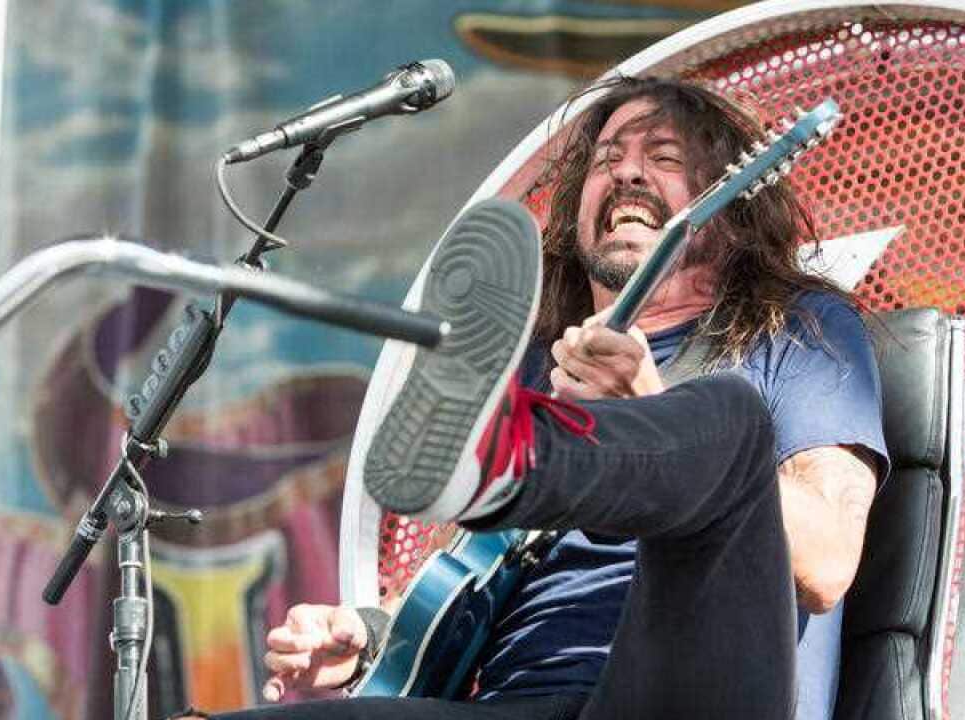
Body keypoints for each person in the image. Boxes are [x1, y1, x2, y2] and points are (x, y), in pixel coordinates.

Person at [211, 76, 886, 720]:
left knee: (731, 424)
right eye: (606, 159)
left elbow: (827, 563)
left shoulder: (800, 330)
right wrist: (365, 633)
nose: (625, 172)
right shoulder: (544, 365)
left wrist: (645, 409)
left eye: (664, 155)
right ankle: (515, 463)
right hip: (519, 704)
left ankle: (522, 458)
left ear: (732, 210)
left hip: (686, 691)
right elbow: (470, 579)